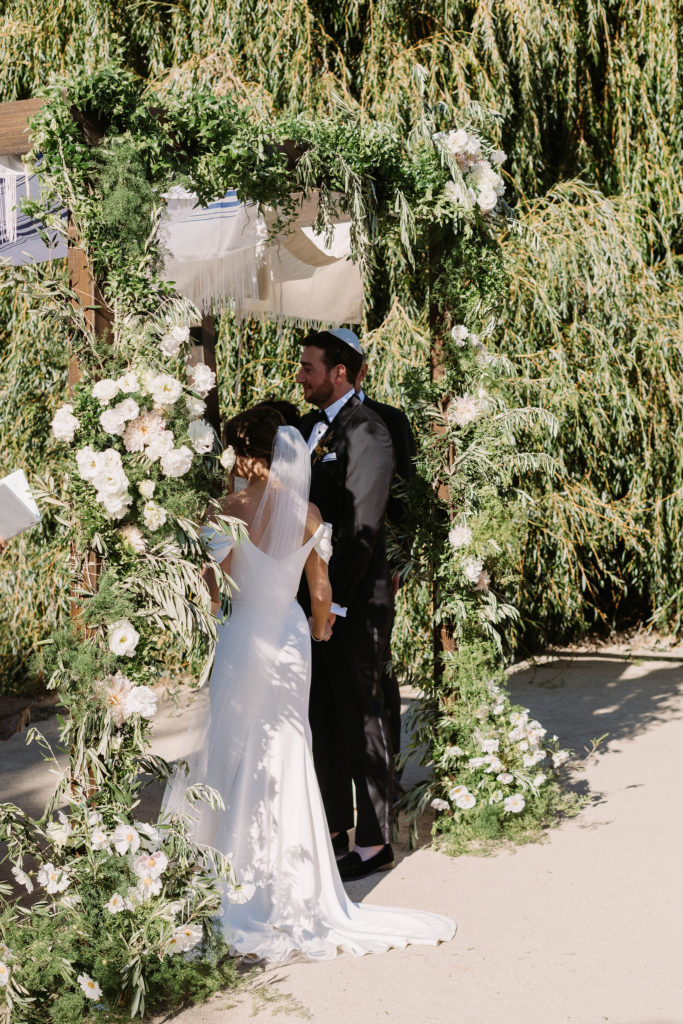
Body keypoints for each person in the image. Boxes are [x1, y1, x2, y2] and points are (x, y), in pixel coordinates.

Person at [163, 405, 455, 961]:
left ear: (245, 455)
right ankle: (297, 878)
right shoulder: (309, 512)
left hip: (244, 632)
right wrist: (320, 628)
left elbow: (212, 590)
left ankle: (227, 868)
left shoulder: (223, 510)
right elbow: (319, 589)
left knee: (236, 739)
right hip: (290, 635)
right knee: (290, 742)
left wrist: (227, 601)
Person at [297, 329, 397, 881]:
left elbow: (363, 529)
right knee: (324, 715)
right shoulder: (314, 428)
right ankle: (335, 829)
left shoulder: (369, 432)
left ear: (340, 371)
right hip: (318, 598)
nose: (301, 375)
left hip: (354, 600)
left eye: (309, 367)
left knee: (361, 713)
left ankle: (376, 840)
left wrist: (332, 605)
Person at [355, 358, 417, 774]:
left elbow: (406, 492)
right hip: (325, 563)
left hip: (381, 560)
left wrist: (399, 558)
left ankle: (388, 767)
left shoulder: (390, 419)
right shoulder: (311, 423)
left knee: (379, 663)